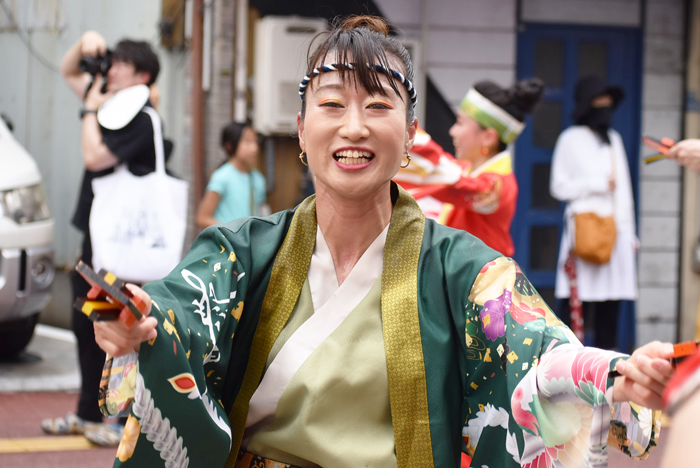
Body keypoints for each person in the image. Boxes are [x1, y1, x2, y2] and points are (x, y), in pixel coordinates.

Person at [93, 17, 672, 468]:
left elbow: (537, 351)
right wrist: (136, 326)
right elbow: (178, 310)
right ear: (300, 130)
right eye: (331, 105)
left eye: (377, 106)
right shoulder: (243, 251)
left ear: (411, 137)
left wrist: (614, 373)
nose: (354, 126)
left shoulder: (460, 269)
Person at [40, 31, 172, 447]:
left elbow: (95, 156)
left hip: (122, 250)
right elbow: (67, 69)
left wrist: (88, 112)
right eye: (110, 63)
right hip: (98, 241)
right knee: (86, 326)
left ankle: (114, 420)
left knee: (113, 331)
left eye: (120, 66)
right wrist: (85, 44)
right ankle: (86, 412)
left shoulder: (141, 116)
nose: (110, 71)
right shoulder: (110, 103)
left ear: (143, 75)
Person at [393, 79, 544, 256]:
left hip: (485, 281)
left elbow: (443, 175)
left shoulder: (497, 187)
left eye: (460, 123)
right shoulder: (463, 170)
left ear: (488, 137)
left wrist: (399, 128)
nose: (452, 131)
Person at [550, 75, 637, 351]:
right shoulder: (569, 139)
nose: (606, 107)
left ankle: (609, 377)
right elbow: (558, 186)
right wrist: (597, 185)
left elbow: (623, 190)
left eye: (609, 103)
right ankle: (569, 370)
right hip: (583, 232)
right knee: (576, 305)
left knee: (611, 307)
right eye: (600, 101)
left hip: (614, 233)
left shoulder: (613, 139)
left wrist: (629, 233)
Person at [195, 122, 267, 229]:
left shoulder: (258, 179)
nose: (254, 148)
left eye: (255, 141)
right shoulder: (222, 177)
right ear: (229, 145)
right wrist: (232, 232)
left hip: (249, 244)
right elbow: (202, 218)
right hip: (228, 243)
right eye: (247, 142)